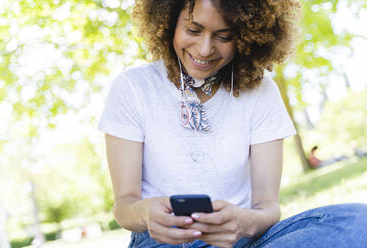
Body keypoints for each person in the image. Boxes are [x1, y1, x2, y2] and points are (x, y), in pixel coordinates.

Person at [98, 0, 367, 247]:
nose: (205, 49)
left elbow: (268, 206)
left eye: (224, 36)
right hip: (161, 241)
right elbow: (124, 205)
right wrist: (145, 214)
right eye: (193, 30)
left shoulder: (262, 92)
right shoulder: (133, 87)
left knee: (358, 223)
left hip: (242, 239)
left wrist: (244, 222)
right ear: (168, 22)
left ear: (247, 35)